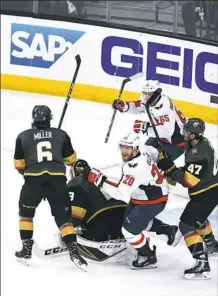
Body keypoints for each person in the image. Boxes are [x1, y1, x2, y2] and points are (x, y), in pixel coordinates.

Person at [83, 132, 181, 269]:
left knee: (129, 231)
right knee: (131, 221)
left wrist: (99, 180)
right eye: (122, 147)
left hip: (153, 200)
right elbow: (155, 150)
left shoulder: (134, 168)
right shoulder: (145, 149)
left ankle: (148, 256)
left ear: (135, 149)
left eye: (127, 148)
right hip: (145, 193)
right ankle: (168, 230)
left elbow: (120, 193)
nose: (124, 151)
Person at [58, 158, 180, 263]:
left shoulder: (74, 183)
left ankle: (145, 253)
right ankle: (165, 229)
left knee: (90, 231)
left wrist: (68, 234)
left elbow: (74, 217)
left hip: (101, 223)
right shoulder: (99, 178)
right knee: (136, 220)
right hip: (122, 212)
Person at [14, 105, 87, 271]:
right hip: (57, 181)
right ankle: (74, 250)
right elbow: (71, 160)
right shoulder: (60, 134)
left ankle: (26, 250)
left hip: (33, 181)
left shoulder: (23, 136)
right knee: (63, 219)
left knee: (25, 215)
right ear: (50, 118)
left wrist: (31, 173)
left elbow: (18, 165)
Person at [157, 118, 218, 279]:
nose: (185, 134)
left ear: (196, 135)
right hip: (210, 189)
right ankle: (211, 245)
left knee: (187, 225)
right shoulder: (196, 144)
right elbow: (191, 170)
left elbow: (188, 182)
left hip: (207, 194)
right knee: (199, 218)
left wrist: (169, 168)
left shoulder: (200, 152)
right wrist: (175, 171)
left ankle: (202, 264)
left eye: (188, 133)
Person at [112, 80, 187, 161]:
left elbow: (167, 132)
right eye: (145, 93)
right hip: (160, 137)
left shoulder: (164, 108)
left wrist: (145, 128)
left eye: (150, 94)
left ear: (156, 94)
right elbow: (138, 106)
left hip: (177, 143)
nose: (146, 96)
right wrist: (124, 106)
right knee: (144, 157)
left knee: (159, 166)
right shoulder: (152, 99)